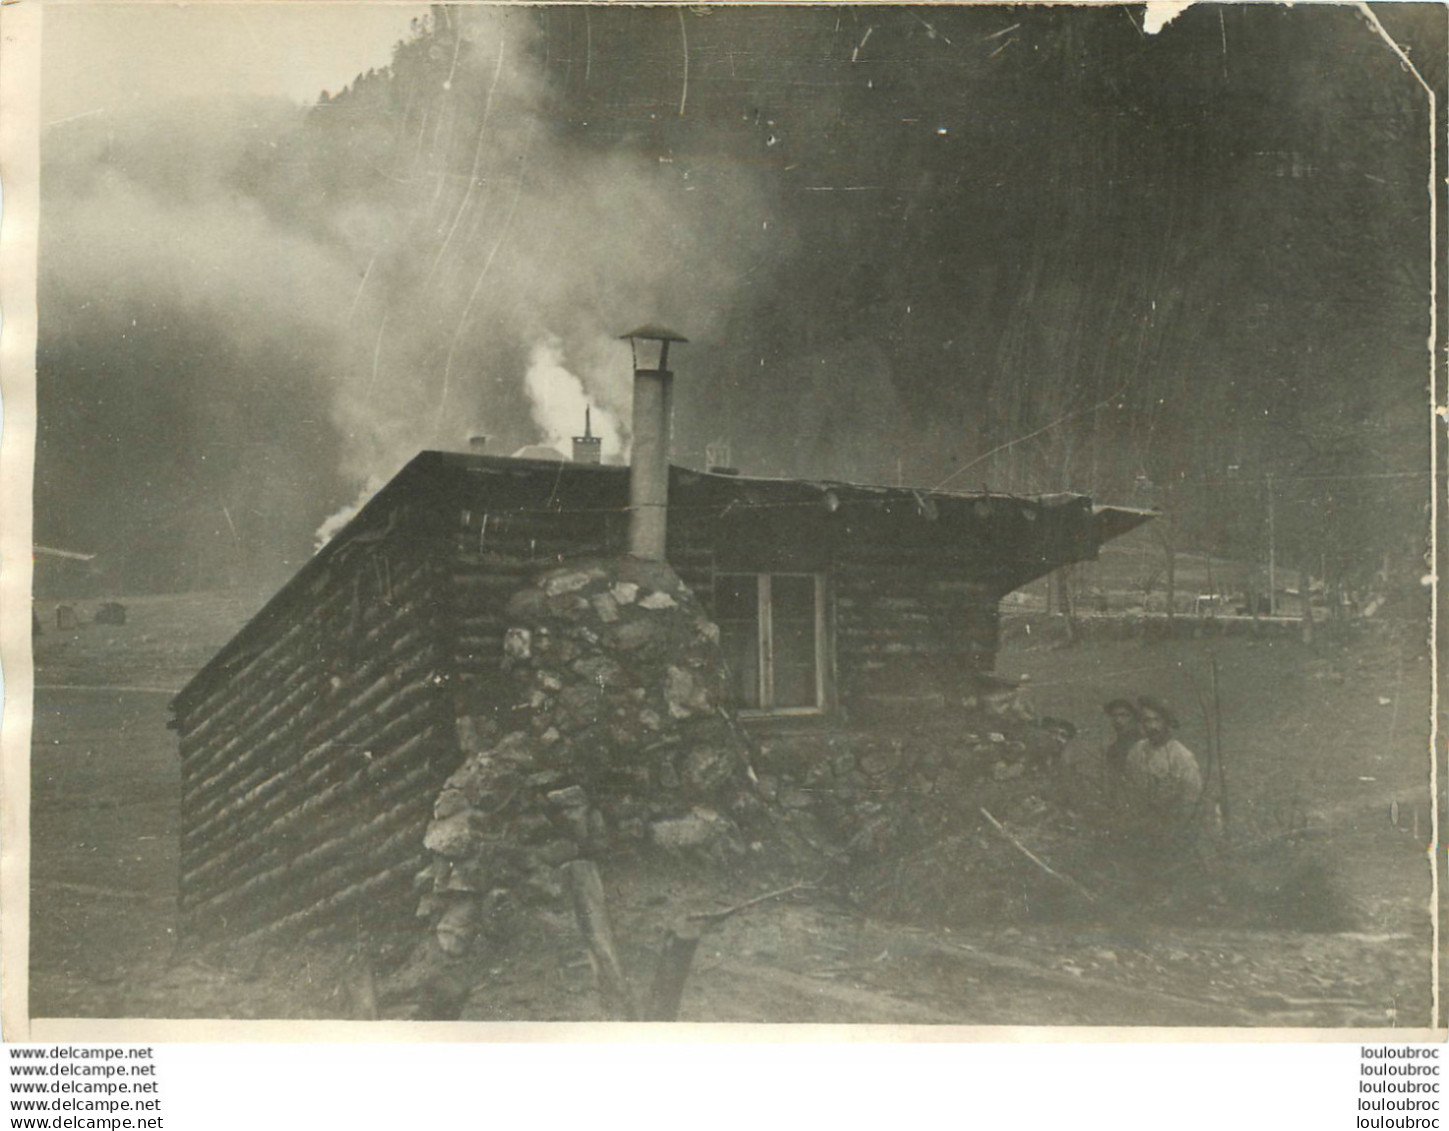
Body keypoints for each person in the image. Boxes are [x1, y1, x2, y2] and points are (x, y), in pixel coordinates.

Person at [1122, 696, 1203, 823]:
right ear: (1142, 723)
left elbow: (1191, 801)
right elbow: (1129, 792)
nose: (1153, 726)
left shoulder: (1182, 756)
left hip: (1172, 826)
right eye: (1147, 720)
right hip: (1139, 825)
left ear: (1167, 722)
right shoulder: (1137, 751)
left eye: (1157, 720)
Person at [1101, 698, 1140, 795]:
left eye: (1123, 715)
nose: (1118, 720)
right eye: (1114, 716)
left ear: (1133, 718)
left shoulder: (1141, 743)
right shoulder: (1113, 748)